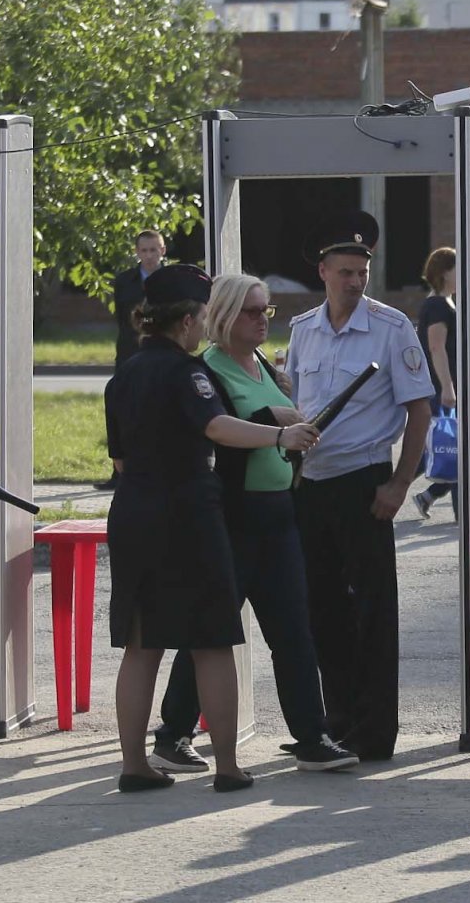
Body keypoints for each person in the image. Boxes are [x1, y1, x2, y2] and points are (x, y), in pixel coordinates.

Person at [104, 264, 320, 793]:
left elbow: (122, 461)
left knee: (141, 645)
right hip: (187, 517)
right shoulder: (188, 374)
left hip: (132, 513)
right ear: (185, 320)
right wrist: (280, 436)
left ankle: (135, 763)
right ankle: (227, 766)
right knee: (213, 641)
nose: (205, 327)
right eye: (202, 317)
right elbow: (216, 426)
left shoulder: (123, 375)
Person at [149, 274, 358, 775]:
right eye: (251, 311)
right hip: (233, 517)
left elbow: (280, 422)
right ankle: (173, 732)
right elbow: (218, 432)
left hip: (279, 512)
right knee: (211, 629)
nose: (263, 319)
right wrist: (278, 429)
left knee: (292, 631)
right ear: (222, 315)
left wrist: (293, 426)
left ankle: (311, 735)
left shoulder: (262, 362)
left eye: (267, 309)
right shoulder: (205, 371)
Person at [285, 210, 434, 762]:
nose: (355, 281)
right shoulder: (303, 331)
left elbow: (420, 411)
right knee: (321, 609)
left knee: (372, 612)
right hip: (312, 484)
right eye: (344, 271)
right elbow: (295, 404)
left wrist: (400, 483)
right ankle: (336, 719)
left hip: (365, 483)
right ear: (323, 272)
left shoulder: (392, 328)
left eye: (361, 270)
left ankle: (374, 733)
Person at [410, 247, 470, 524]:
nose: (464, 274)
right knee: (452, 447)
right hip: (440, 388)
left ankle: (458, 507)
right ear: (444, 272)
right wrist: (447, 387)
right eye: (459, 268)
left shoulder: (445, 303)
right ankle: (466, 511)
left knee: (444, 448)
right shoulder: (437, 305)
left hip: (446, 387)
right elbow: (436, 347)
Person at [95, 228, 167, 491]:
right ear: (137, 252)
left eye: (154, 249)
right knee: (122, 408)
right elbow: (127, 316)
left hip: (163, 352)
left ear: (163, 250)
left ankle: (159, 470)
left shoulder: (173, 279)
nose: (149, 256)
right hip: (129, 352)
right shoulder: (124, 280)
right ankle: (119, 472)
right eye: (144, 250)